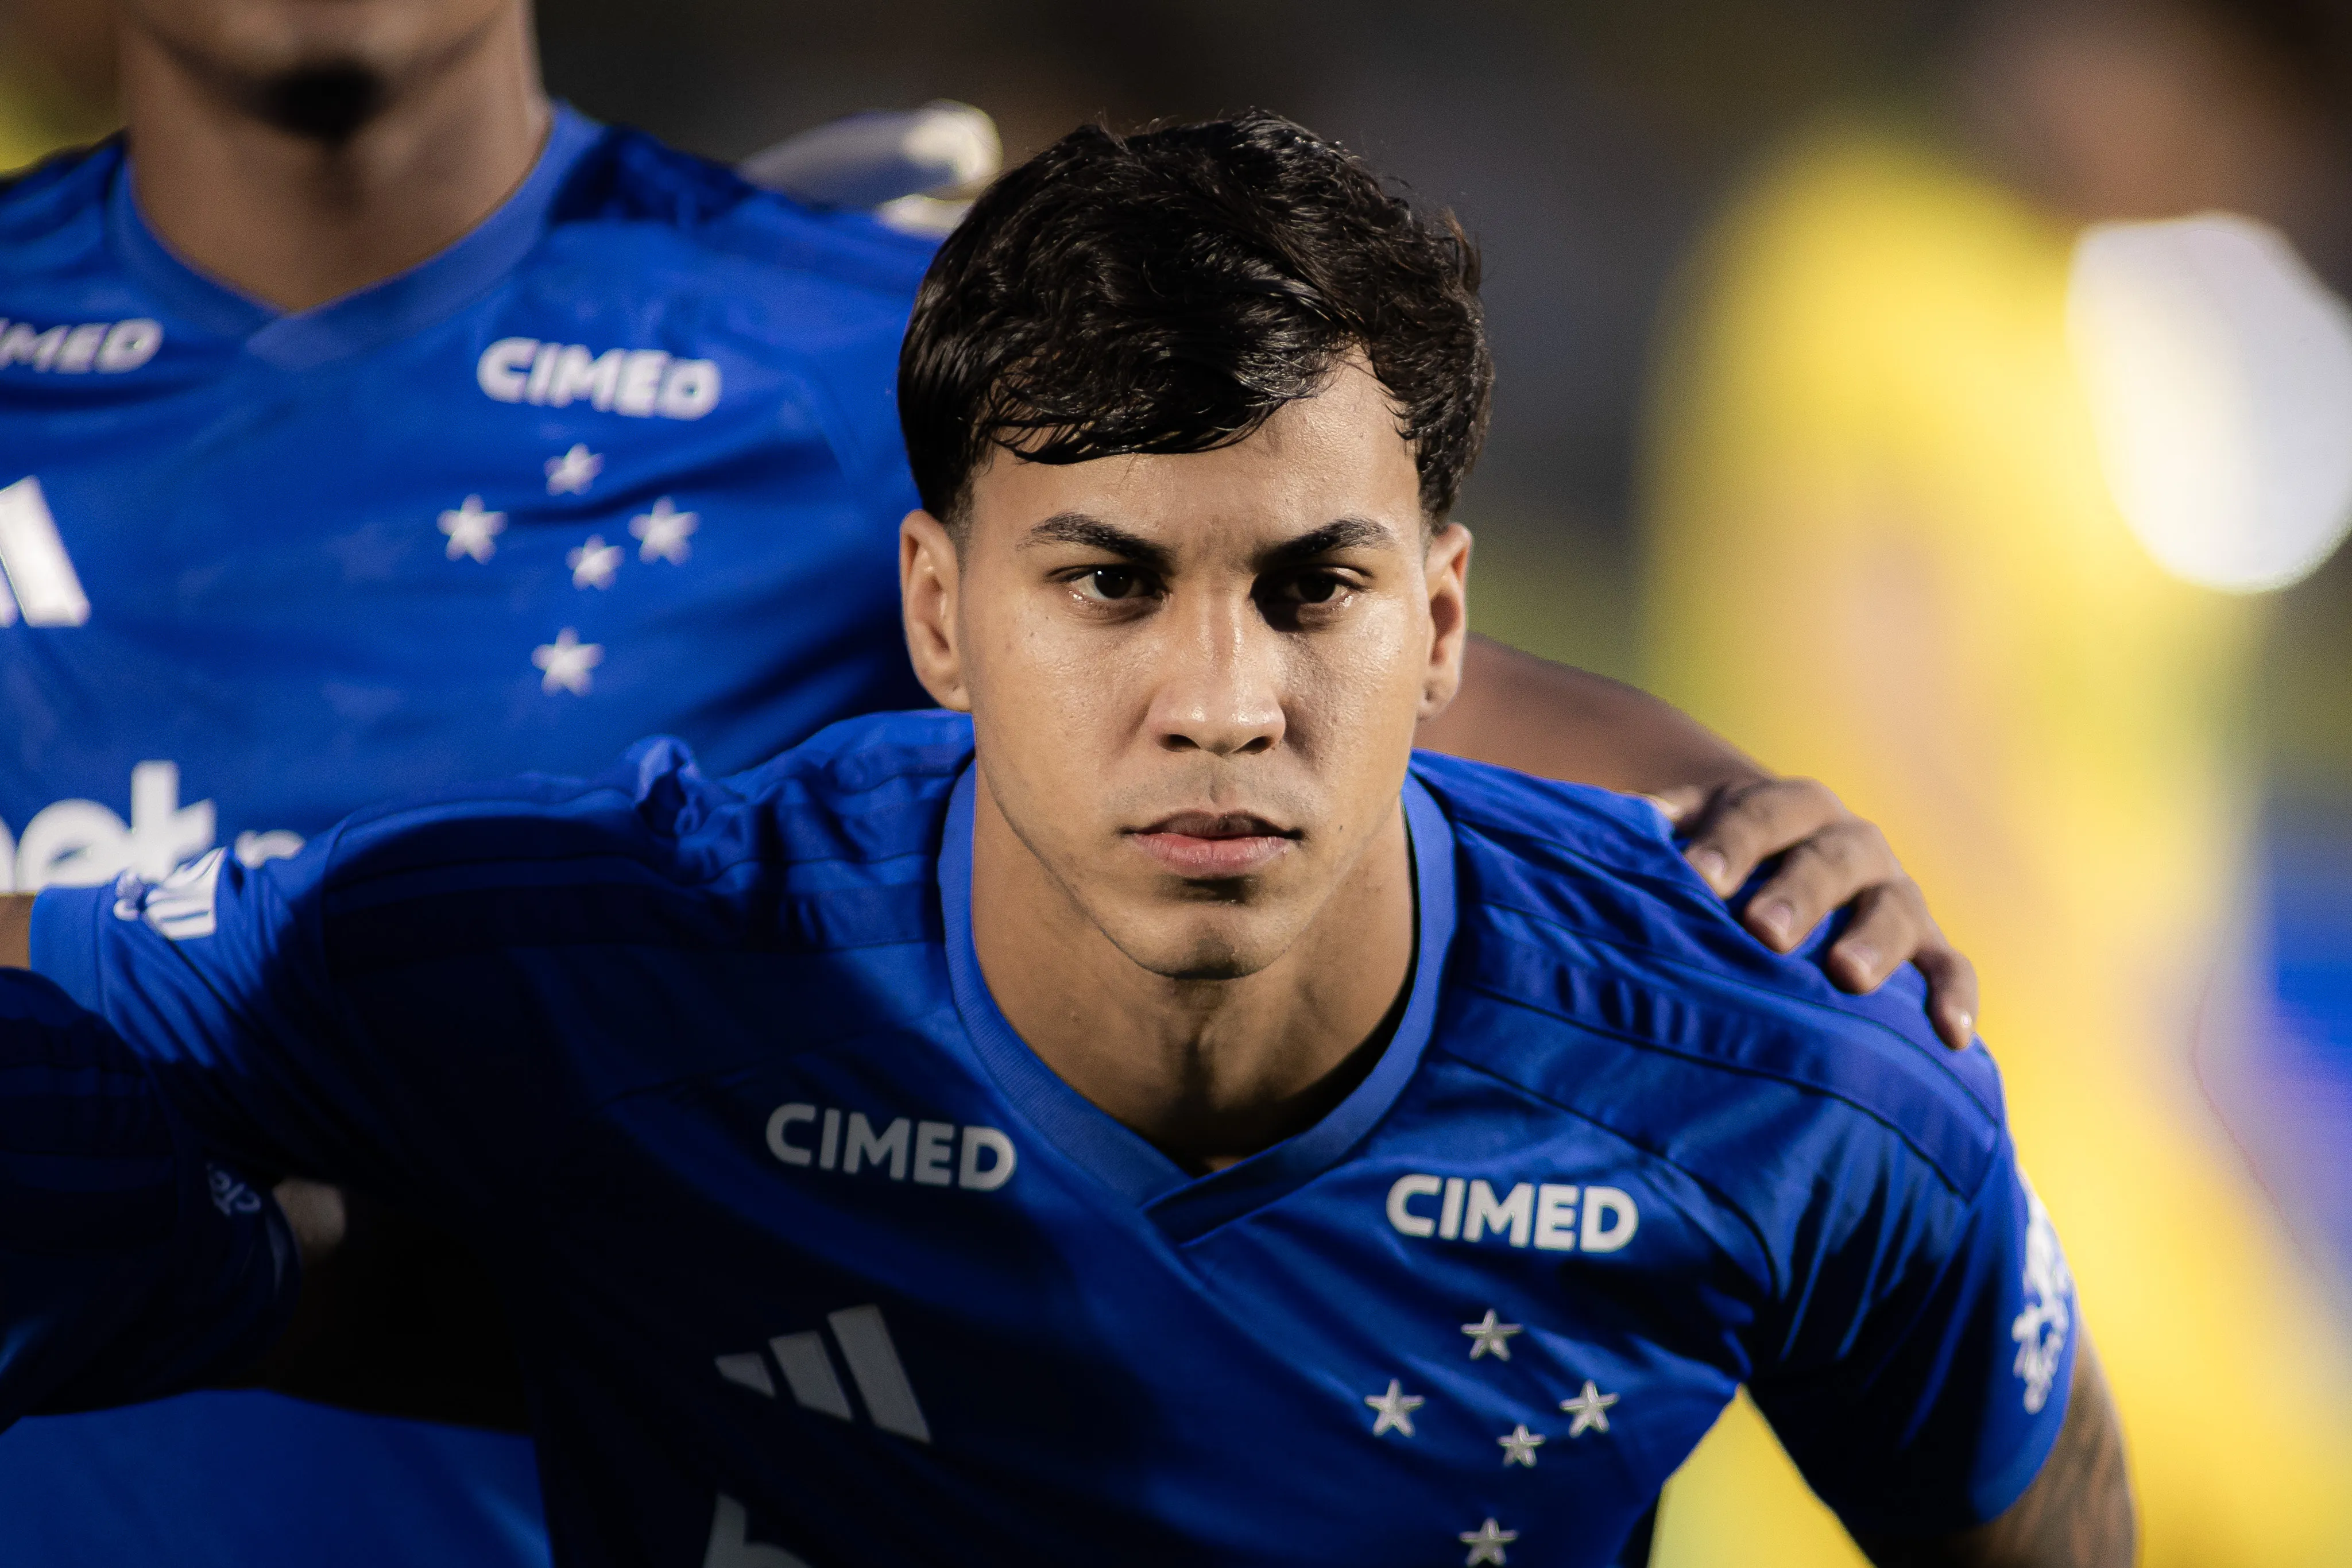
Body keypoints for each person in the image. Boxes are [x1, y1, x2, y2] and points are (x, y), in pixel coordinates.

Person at [0, 112, 2129, 1568]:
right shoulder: (600, 955)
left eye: (1314, 586)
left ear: (1447, 618)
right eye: (1107, 582)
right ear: (937, 610)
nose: (1219, 698)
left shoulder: (1793, 1082)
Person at [1640, 1, 2352, 1562]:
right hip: (1946, 1045)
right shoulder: (1858, 263)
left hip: (2140, 1078)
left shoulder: (2097, 312)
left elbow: (2148, 756)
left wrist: (2211, 1053)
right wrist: (2142, 1053)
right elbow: (1889, 737)